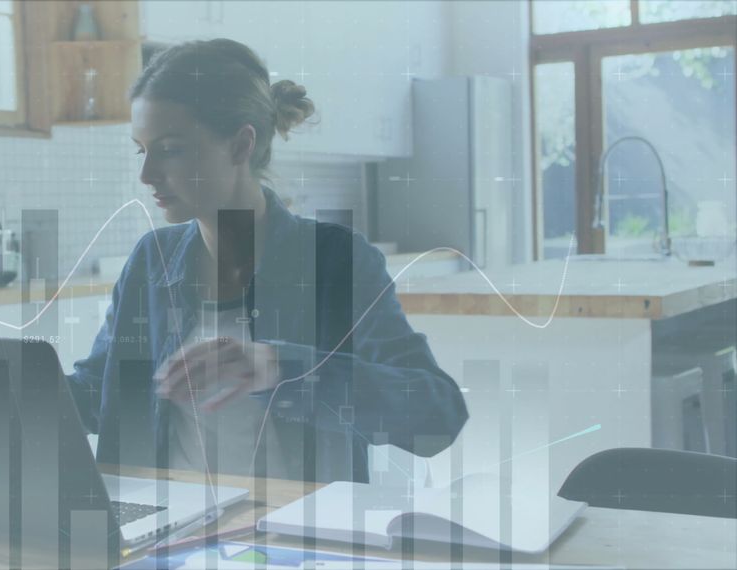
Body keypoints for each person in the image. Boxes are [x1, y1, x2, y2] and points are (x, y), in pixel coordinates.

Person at [68, 38, 467, 483]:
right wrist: (1, 394)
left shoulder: (334, 260)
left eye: (171, 149)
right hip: (169, 538)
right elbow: (95, 395)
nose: (146, 175)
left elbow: (437, 416)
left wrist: (278, 367)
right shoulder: (151, 260)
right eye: (143, 150)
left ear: (240, 145)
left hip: (297, 542)